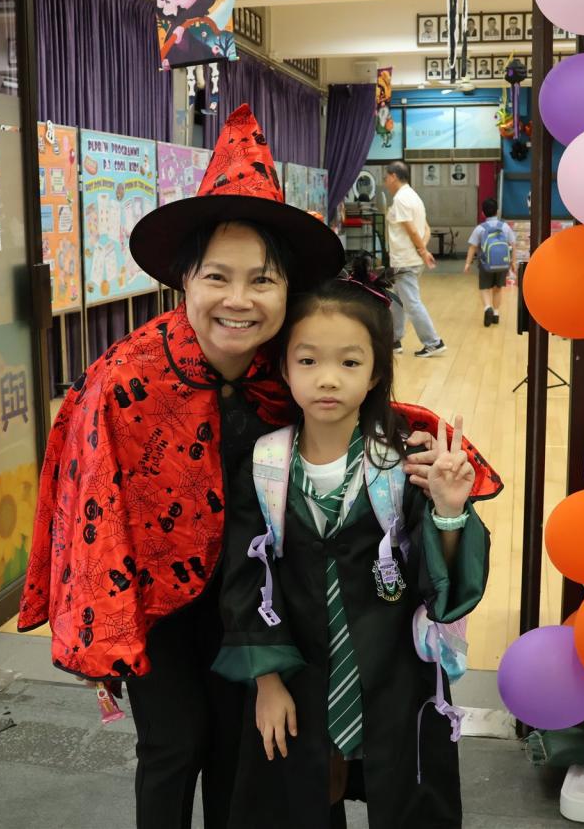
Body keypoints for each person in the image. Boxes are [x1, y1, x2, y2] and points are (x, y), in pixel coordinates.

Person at [18, 105, 349, 829]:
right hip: (153, 599)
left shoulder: (293, 365)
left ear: (287, 288)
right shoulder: (127, 379)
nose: (239, 300)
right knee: (174, 744)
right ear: (184, 280)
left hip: (254, 594)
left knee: (241, 748)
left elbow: (359, 416)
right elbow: (90, 508)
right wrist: (108, 627)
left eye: (262, 280)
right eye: (217, 277)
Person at [214, 274, 498, 828]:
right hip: (296, 671)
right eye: (308, 360)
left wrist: (447, 510)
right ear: (283, 368)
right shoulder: (264, 465)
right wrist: (266, 682)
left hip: (395, 676)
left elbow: (442, 590)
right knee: (298, 797)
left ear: (375, 374)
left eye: (349, 362)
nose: (328, 379)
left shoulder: (403, 464)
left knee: (407, 800)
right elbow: (244, 580)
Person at [383, 161, 445, 358]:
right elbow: (426, 228)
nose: (385, 182)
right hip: (408, 260)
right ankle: (394, 340)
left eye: (386, 177)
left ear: (393, 176)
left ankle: (433, 342)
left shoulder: (401, 199)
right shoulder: (414, 197)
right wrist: (422, 249)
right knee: (397, 301)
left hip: (405, 261)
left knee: (411, 303)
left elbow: (412, 230)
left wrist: (422, 251)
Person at [462, 198, 516, 326]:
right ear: (497, 211)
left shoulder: (480, 228)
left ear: (483, 213)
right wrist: (513, 262)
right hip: (503, 263)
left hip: (485, 264)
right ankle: (496, 314)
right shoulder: (505, 227)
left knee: (485, 288)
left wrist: (468, 263)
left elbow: (472, 247)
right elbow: (513, 244)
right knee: (498, 288)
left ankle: (488, 308)